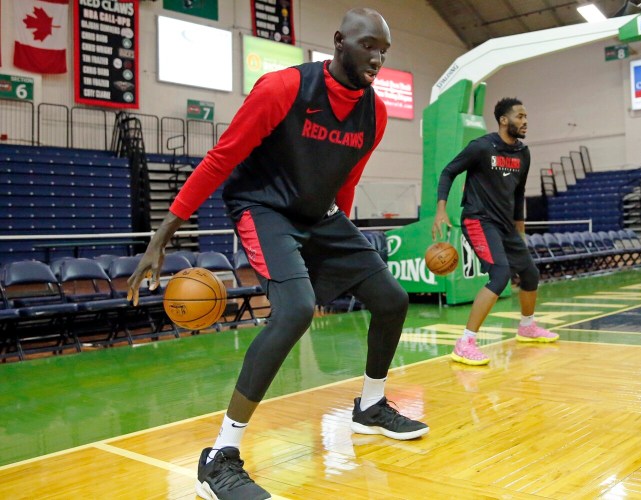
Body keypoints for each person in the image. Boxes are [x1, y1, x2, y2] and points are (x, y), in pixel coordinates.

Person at [127, 9, 428, 500]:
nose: (378, 57)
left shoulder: (375, 113)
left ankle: (370, 406)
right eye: (369, 45)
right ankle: (219, 457)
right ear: (339, 42)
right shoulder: (281, 89)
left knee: (392, 298)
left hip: (320, 214)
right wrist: (161, 236)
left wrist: (337, 251)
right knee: (293, 312)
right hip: (262, 206)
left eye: (384, 51)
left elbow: (345, 180)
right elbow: (221, 159)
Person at [432, 97, 558, 366]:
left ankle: (527, 327)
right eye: (520, 116)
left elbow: (519, 193)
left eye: (526, 117)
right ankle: (464, 342)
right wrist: (441, 210)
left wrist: (520, 232)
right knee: (500, 275)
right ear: (504, 120)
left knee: (530, 273)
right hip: (478, 220)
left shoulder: (523, 153)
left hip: (505, 224)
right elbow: (448, 172)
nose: (525, 121)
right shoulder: (481, 147)